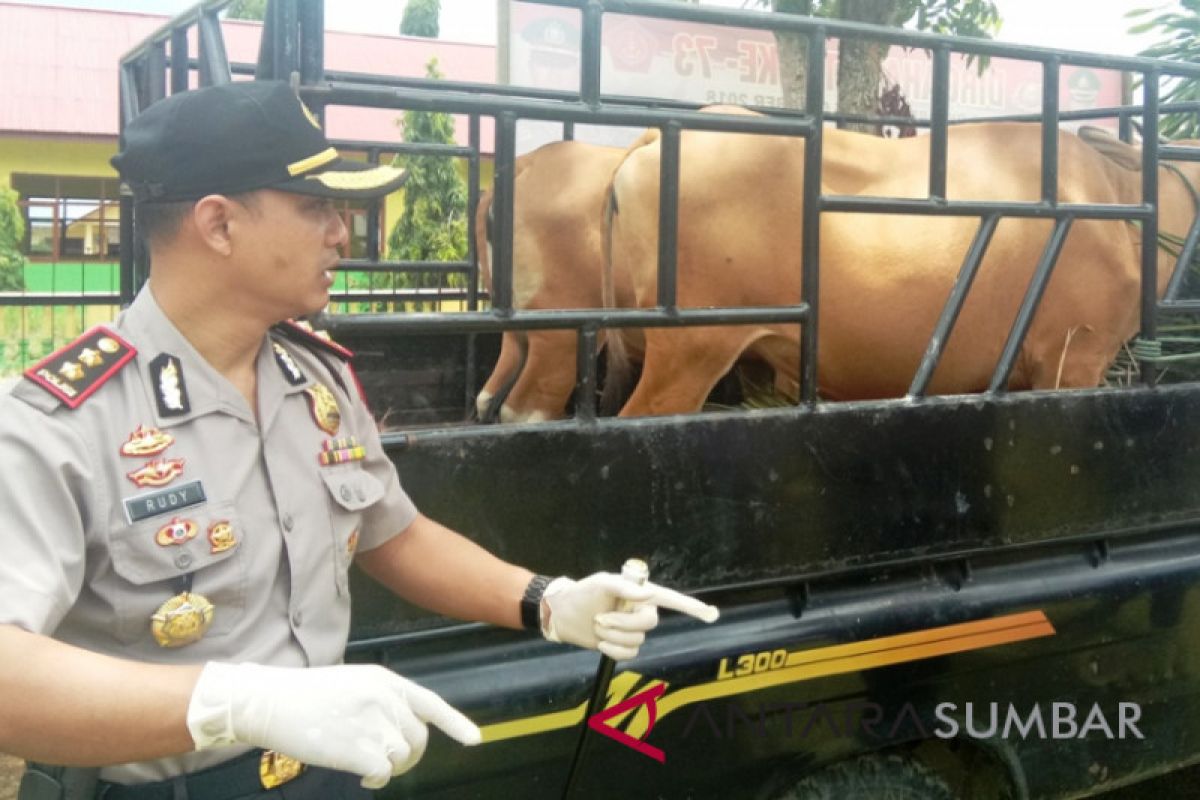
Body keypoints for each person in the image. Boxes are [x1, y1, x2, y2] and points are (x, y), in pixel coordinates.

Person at [0, 80, 718, 800]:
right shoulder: (60, 421)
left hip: (333, 770)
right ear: (218, 225)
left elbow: (391, 533)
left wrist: (545, 601)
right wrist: (240, 706)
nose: (341, 232)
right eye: (316, 208)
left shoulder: (314, 379)